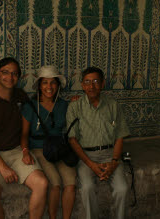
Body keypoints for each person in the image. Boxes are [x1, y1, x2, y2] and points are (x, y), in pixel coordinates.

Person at [0, 57, 48, 219]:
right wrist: (3, 167)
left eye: (14, 74)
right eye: (5, 72)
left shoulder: (20, 96)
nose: (10, 77)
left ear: (18, 77)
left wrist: (25, 150)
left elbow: (40, 106)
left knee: (42, 183)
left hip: (15, 151)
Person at [66, 67, 130, 219]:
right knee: (87, 188)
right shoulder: (75, 106)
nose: (91, 86)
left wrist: (114, 162)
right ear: (82, 85)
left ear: (102, 84)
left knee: (122, 188)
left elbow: (120, 136)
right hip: (86, 156)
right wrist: (91, 164)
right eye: (87, 82)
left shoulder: (112, 105)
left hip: (110, 154)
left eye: (95, 81)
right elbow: (72, 140)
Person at [21, 65, 76, 219]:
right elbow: (24, 133)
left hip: (59, 148)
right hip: (39, 149)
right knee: (55, 184)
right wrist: (25, 151)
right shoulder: (30, 107)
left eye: (53, 83)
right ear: (39, 85)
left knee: (71, 184)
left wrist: (77, 102)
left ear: (58, 85)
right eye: (45, 83)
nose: (49, 87)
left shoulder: (64, 105)